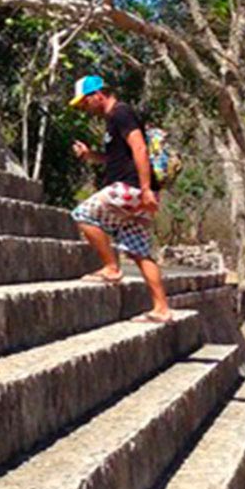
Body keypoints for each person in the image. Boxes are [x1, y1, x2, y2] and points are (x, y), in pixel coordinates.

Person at [69, 74, 172, 323]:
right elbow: (117, 157)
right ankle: (162, 309)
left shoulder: (121, 113)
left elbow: (139, 148)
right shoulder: (112, 120)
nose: (85, 108)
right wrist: (90, 155)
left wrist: (146, 189)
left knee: (82, 214)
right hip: (136, 190)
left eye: (85, 102)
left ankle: (111, 269)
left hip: (132, 188)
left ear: (97, 94)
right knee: (139, 251)